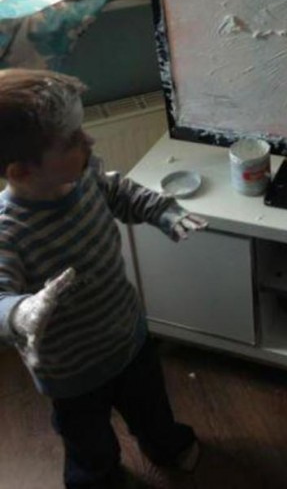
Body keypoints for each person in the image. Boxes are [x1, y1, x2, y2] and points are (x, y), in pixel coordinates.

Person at [0, 68, 208, 488]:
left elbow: (121, 192)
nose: (89, 141)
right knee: (87, 441)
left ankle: (165, 445)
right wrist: (22, 311)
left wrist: (162, 211)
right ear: (21, 172)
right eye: (73, 140)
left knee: (152, 408)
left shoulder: (85, 177)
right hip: (72, 371)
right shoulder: (8, 230)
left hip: (128, 338)